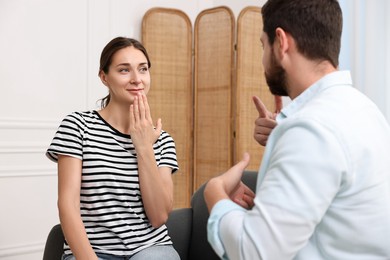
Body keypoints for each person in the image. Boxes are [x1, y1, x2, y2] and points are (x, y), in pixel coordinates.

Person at [204, 0, 390, 259]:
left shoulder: (310, 130)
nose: (262, 58)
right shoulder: (366, 110)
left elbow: (254, 252)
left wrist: (215, 194)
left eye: (262, 45)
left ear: (281, 43)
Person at [46, 37, 180, 260]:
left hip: (151, 249)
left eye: (143, 69)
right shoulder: (78, 126)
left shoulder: (162, 140)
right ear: (104, 77)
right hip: (93, 252)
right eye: (124, 70)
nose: (137, 79)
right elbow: (67, 205)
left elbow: (158, 217)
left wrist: (144, 148)